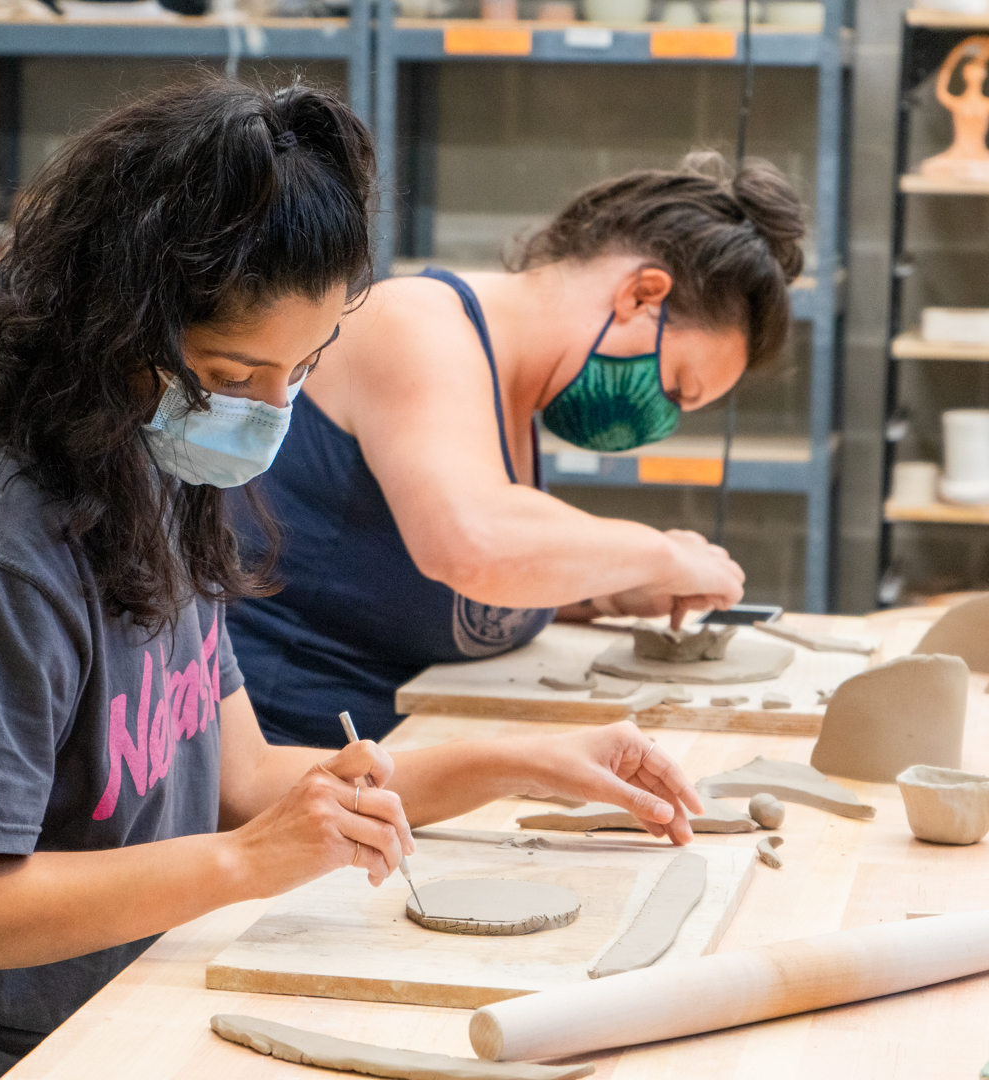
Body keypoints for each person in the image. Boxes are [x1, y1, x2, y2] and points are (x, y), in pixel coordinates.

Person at [0, 78, 703, 1080]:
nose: (270, 413)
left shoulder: (160, 464)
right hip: (4, 1053)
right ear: (115, 328)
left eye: (303, 368)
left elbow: (244, 778)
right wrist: (240, 866)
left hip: (127, 1001)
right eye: (235, 376)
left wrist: (523, 763)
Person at [226, 154, 806, 748]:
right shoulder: (418, 326)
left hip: (393, 765)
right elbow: (474, 544)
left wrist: (609, 589)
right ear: (642, 295)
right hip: (286, 773)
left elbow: (453, 591)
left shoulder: (514, 396)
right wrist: (662, 553)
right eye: (676, 388)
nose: (661, 421)